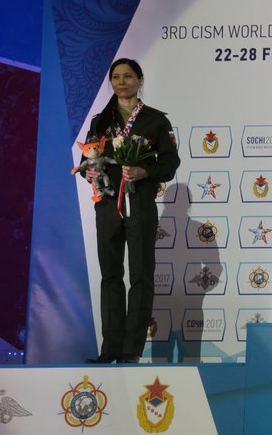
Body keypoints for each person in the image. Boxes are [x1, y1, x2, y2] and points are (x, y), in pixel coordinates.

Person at [79, 58, 180, 363]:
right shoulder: (101, 121)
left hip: (140, 204)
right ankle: (109, 348)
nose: (121, 82)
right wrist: (90, 173)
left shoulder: (155, 121)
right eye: (116, 77)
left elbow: (170, 164)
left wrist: (143, 172)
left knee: (140, 276)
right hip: (109, 206)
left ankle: (130, 350)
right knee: (110, 276)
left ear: (139, 80)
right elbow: (89, 159)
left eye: (127, 76)